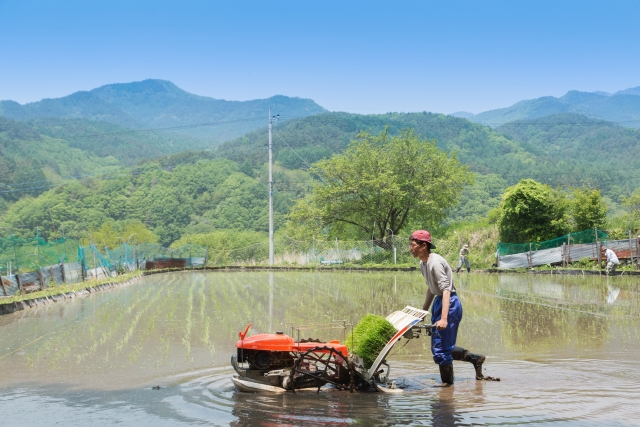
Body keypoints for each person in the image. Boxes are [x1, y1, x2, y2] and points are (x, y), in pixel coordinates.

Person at [409, 230, 485, 385]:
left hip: (449, 303)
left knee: (441, 350)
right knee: (439, 347)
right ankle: (475, 358)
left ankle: (447, 388)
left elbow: (446, 290)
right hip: (439, 302)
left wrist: (444, 318)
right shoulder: (423, 263)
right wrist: (423, 311)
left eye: (413, 245)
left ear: (424, 245)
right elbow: (431, 288)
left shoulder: (435, 263)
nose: (411, 248)